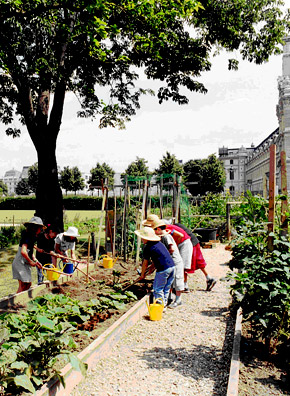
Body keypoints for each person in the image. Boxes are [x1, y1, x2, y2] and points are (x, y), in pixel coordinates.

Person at [134, 226, 175, 308]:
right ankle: (164, 305)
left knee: (157, 288)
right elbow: (159, 257)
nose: (142, 239)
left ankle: (159, 306)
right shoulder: (158, 244)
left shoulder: (147, 247)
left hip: (163, 269)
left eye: (143, 238)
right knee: (166, 288)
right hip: (172, 267)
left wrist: (142, 275)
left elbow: (145, 263)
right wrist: (152, 268)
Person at [152, 218, 185, 308]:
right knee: (170, 281)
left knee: (177, 281)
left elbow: (172, 249)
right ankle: (169, 298)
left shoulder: (166, 236)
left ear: (158, 229)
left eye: (154, 230)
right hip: (170, 262)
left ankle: (178, 300)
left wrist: (164, 254)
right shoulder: (162, 237)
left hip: (175, 260)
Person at [175, 222, 217, 291]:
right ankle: (209, 277)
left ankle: (185, 285)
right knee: (199, 261)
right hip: (195, 242)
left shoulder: (172, 228)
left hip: (189, 243)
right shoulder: (178, 225)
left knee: (184, 263)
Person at [12, 216, 45, 294]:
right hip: (20, 263)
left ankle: (21, 301)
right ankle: (16, 302)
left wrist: (36, 261)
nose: (41, 230)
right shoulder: (27, 236)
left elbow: (29, 251)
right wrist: (31, 262)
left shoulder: (32, 237)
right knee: (23, 285)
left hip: (25, 263)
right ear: (35, 228)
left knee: (28, 284)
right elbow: (23, 252)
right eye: (40, 228)